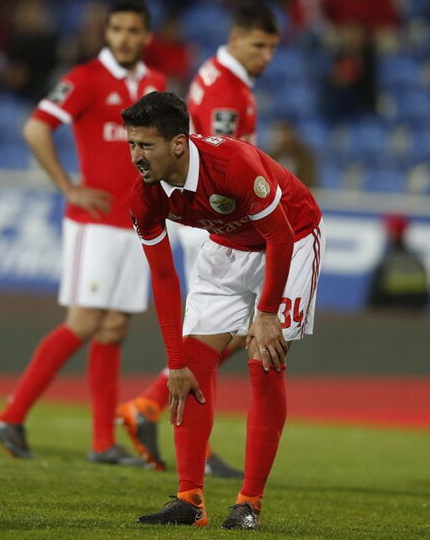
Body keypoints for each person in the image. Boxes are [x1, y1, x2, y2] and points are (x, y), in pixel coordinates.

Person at [123, 91, 323, 529]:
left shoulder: (232, 165)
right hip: (227, 248)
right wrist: (174, 361)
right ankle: (189, 500)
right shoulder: (145, 196)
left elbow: (280, 237)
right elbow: (162, 278)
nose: (136, 156)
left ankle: (248, 503)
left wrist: (266, 314)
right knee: (192, 367)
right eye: (132, 144)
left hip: (291, 239)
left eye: (145, 145)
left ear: (178, 143)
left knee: (264, 360)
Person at [0, 0, 167, 466]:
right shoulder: (86, 78)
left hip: (138, 222)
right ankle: (11, 415)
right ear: (107, 33)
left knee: (114, 327)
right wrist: (68, 186)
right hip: (95, 224)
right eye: (117, 28)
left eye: (134, 30)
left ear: (147, 37)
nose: (125, 37)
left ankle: (102, 443)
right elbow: (36, 128)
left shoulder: (155, 85)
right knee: (85, 321)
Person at [116, 0, 280, 477]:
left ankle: (159, 412)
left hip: (202, 207)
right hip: (213, 213)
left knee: (230, 330)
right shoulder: (227, 91)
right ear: (235, 39)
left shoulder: (217, 75)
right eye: (258, 45)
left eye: (272, 47)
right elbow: (231, 156)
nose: (265, 56)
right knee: (227, 328)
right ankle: (165, 417)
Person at [367, 215, 430, 311]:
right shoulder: (418, 263)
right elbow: (426, 298)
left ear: (392, 233)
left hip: (389, 320)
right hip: (413, 321)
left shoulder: (387, 263)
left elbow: (374, 300)